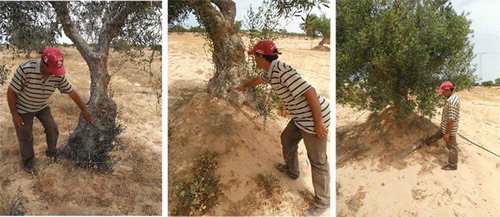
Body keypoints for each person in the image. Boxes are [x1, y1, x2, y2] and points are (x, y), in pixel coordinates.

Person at [235, 41, 330, 216]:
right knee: (287, 139)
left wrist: (319, 123)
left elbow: (310, 91)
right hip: (301, 117)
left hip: (313, 118)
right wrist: (244, 86)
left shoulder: (282, 71)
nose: (254, 60)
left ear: (262, 57)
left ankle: (323, 202)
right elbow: (259, 80)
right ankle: (292, 171)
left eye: (255, 56)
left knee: (318, 161)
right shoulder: (271, 71)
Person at [7, 47, 93, 174]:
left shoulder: (57, 74)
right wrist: (14, 114)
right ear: (43, 63)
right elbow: (11, 91)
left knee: (52, 128)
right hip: (23, 108)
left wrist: (84, 110)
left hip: (41, 106)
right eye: (51, 69)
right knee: (26, 136)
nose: (55, 73)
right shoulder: (26, 69)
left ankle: (52, 153)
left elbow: (71, 92)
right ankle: (28, 161)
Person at [421, 81, 460, 170]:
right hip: (445, 126)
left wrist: (447, 133)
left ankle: (453, 165)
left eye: (443, 91)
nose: (442, 93)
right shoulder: (451, 97)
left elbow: (451, 119)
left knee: (452, 147)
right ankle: (426, 142)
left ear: (448, 90)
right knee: (437, 135)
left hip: (449, 129)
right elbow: (448, 116)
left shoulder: (452, 102)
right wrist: (443, 123)